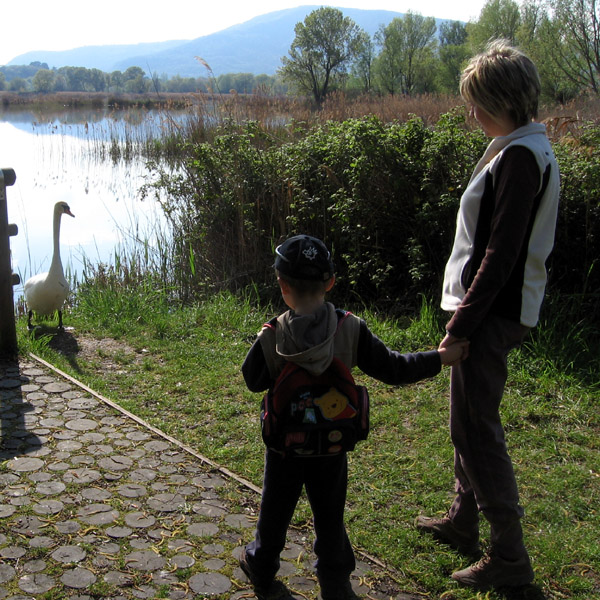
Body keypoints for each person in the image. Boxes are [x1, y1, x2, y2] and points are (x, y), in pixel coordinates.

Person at [240, 235, 467, 600]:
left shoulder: (273, 335)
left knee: (274, 510)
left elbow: (253, 381)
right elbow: (394, 368)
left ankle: (262, 566)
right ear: (330, 282)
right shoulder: (350, 328)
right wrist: (440, 357)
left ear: (282, 286)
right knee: (330, 515)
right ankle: (335, 581)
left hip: (284, 450)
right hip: (332, 448)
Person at [416, 39, 560, 591]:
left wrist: (462, 323)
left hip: (491, 314)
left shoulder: (520, 158)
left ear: (502, 99)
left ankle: (509, 557)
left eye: (476, 101)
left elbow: (501, 255)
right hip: (492, 311)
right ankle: (462, 519)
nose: (470, 112)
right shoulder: (518, 146)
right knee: (468, 421)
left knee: (477, 429)